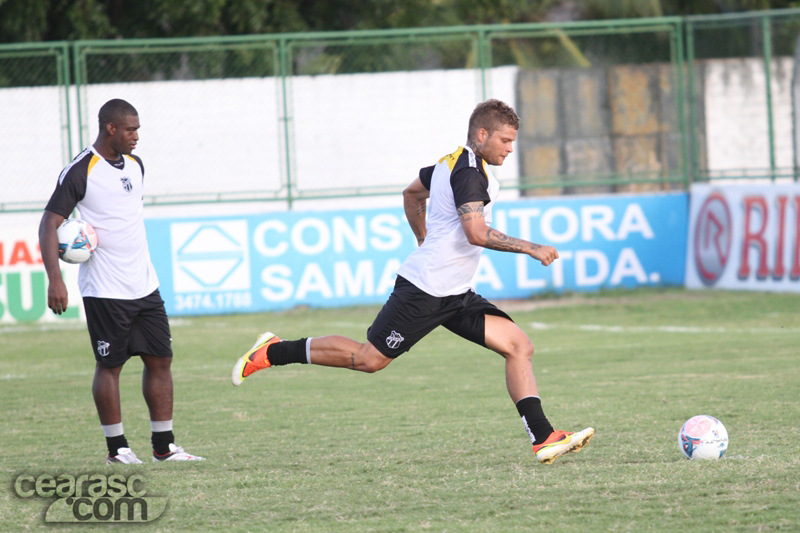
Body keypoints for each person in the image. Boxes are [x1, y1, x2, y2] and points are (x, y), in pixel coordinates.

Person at [232, 99, 593, 464]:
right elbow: (476, 232)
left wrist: (424, 239)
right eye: (505, 140)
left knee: (518, 346)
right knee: (367, 359)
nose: (510, 148)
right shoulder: (468, 172)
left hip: (455, 293)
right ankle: (273, 351)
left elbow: (412, 194)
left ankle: (543, 437)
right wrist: (531, 248)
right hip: (425, 291)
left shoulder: (449, 162)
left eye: (513, 141)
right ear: (482, 134)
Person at [39, 99, 204, 464]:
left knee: (161, 359)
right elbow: (49, 224)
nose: (136, 136)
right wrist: (56, 279)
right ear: (110, 128)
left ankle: (164, 447)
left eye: (138, 128)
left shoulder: (136, 165)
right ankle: (118, 450)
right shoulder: (81, 170)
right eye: (131, 129)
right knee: (110, 367)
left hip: (144, 283)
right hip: (105, 288)